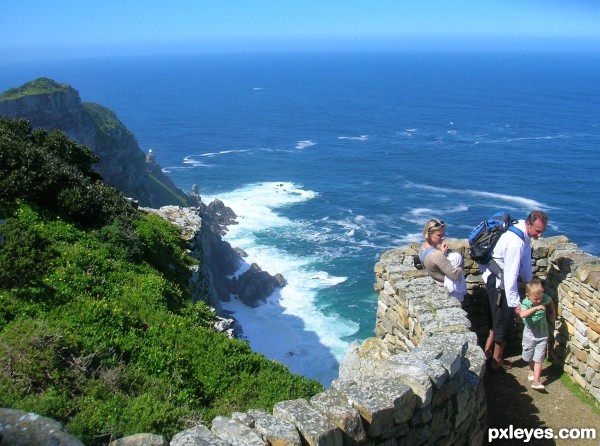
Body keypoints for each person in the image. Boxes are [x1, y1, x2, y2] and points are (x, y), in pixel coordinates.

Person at [482, 210, 549, 373]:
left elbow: (525, 261)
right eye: (537, 231)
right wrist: (516, 304)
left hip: (493, 279)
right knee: (503, 324)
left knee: (495, 322)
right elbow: (510, 276)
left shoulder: (521, 231)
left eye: (542, 231)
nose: (540, 235)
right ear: (528, 224)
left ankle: (487, 355)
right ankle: (496, 363)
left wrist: (529, 281)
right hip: (499, 284)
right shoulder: (515, 243)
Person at [517, 279, 555, 390]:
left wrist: (553, 313)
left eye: (540, 298)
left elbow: (550, 301)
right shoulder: (526, 303)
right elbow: (522, 314)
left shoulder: (544, 298)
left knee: (539, 358)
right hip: (529, 335)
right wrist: (535, 308)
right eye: (535, 299)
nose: (538, 301)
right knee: (529, 356)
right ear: (527, 295)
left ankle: (536, 381)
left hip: (542, 334)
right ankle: (532, 370)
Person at [419, 219, 465, 291]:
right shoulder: (436, 255)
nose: (443, 237)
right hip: (444, 287)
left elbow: (433, 263)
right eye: (439, 235)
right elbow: (455, 276)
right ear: (429, 235)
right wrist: (461, 266)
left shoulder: (423, 246)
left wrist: (442, 253)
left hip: (433, 279)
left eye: (443, 234)